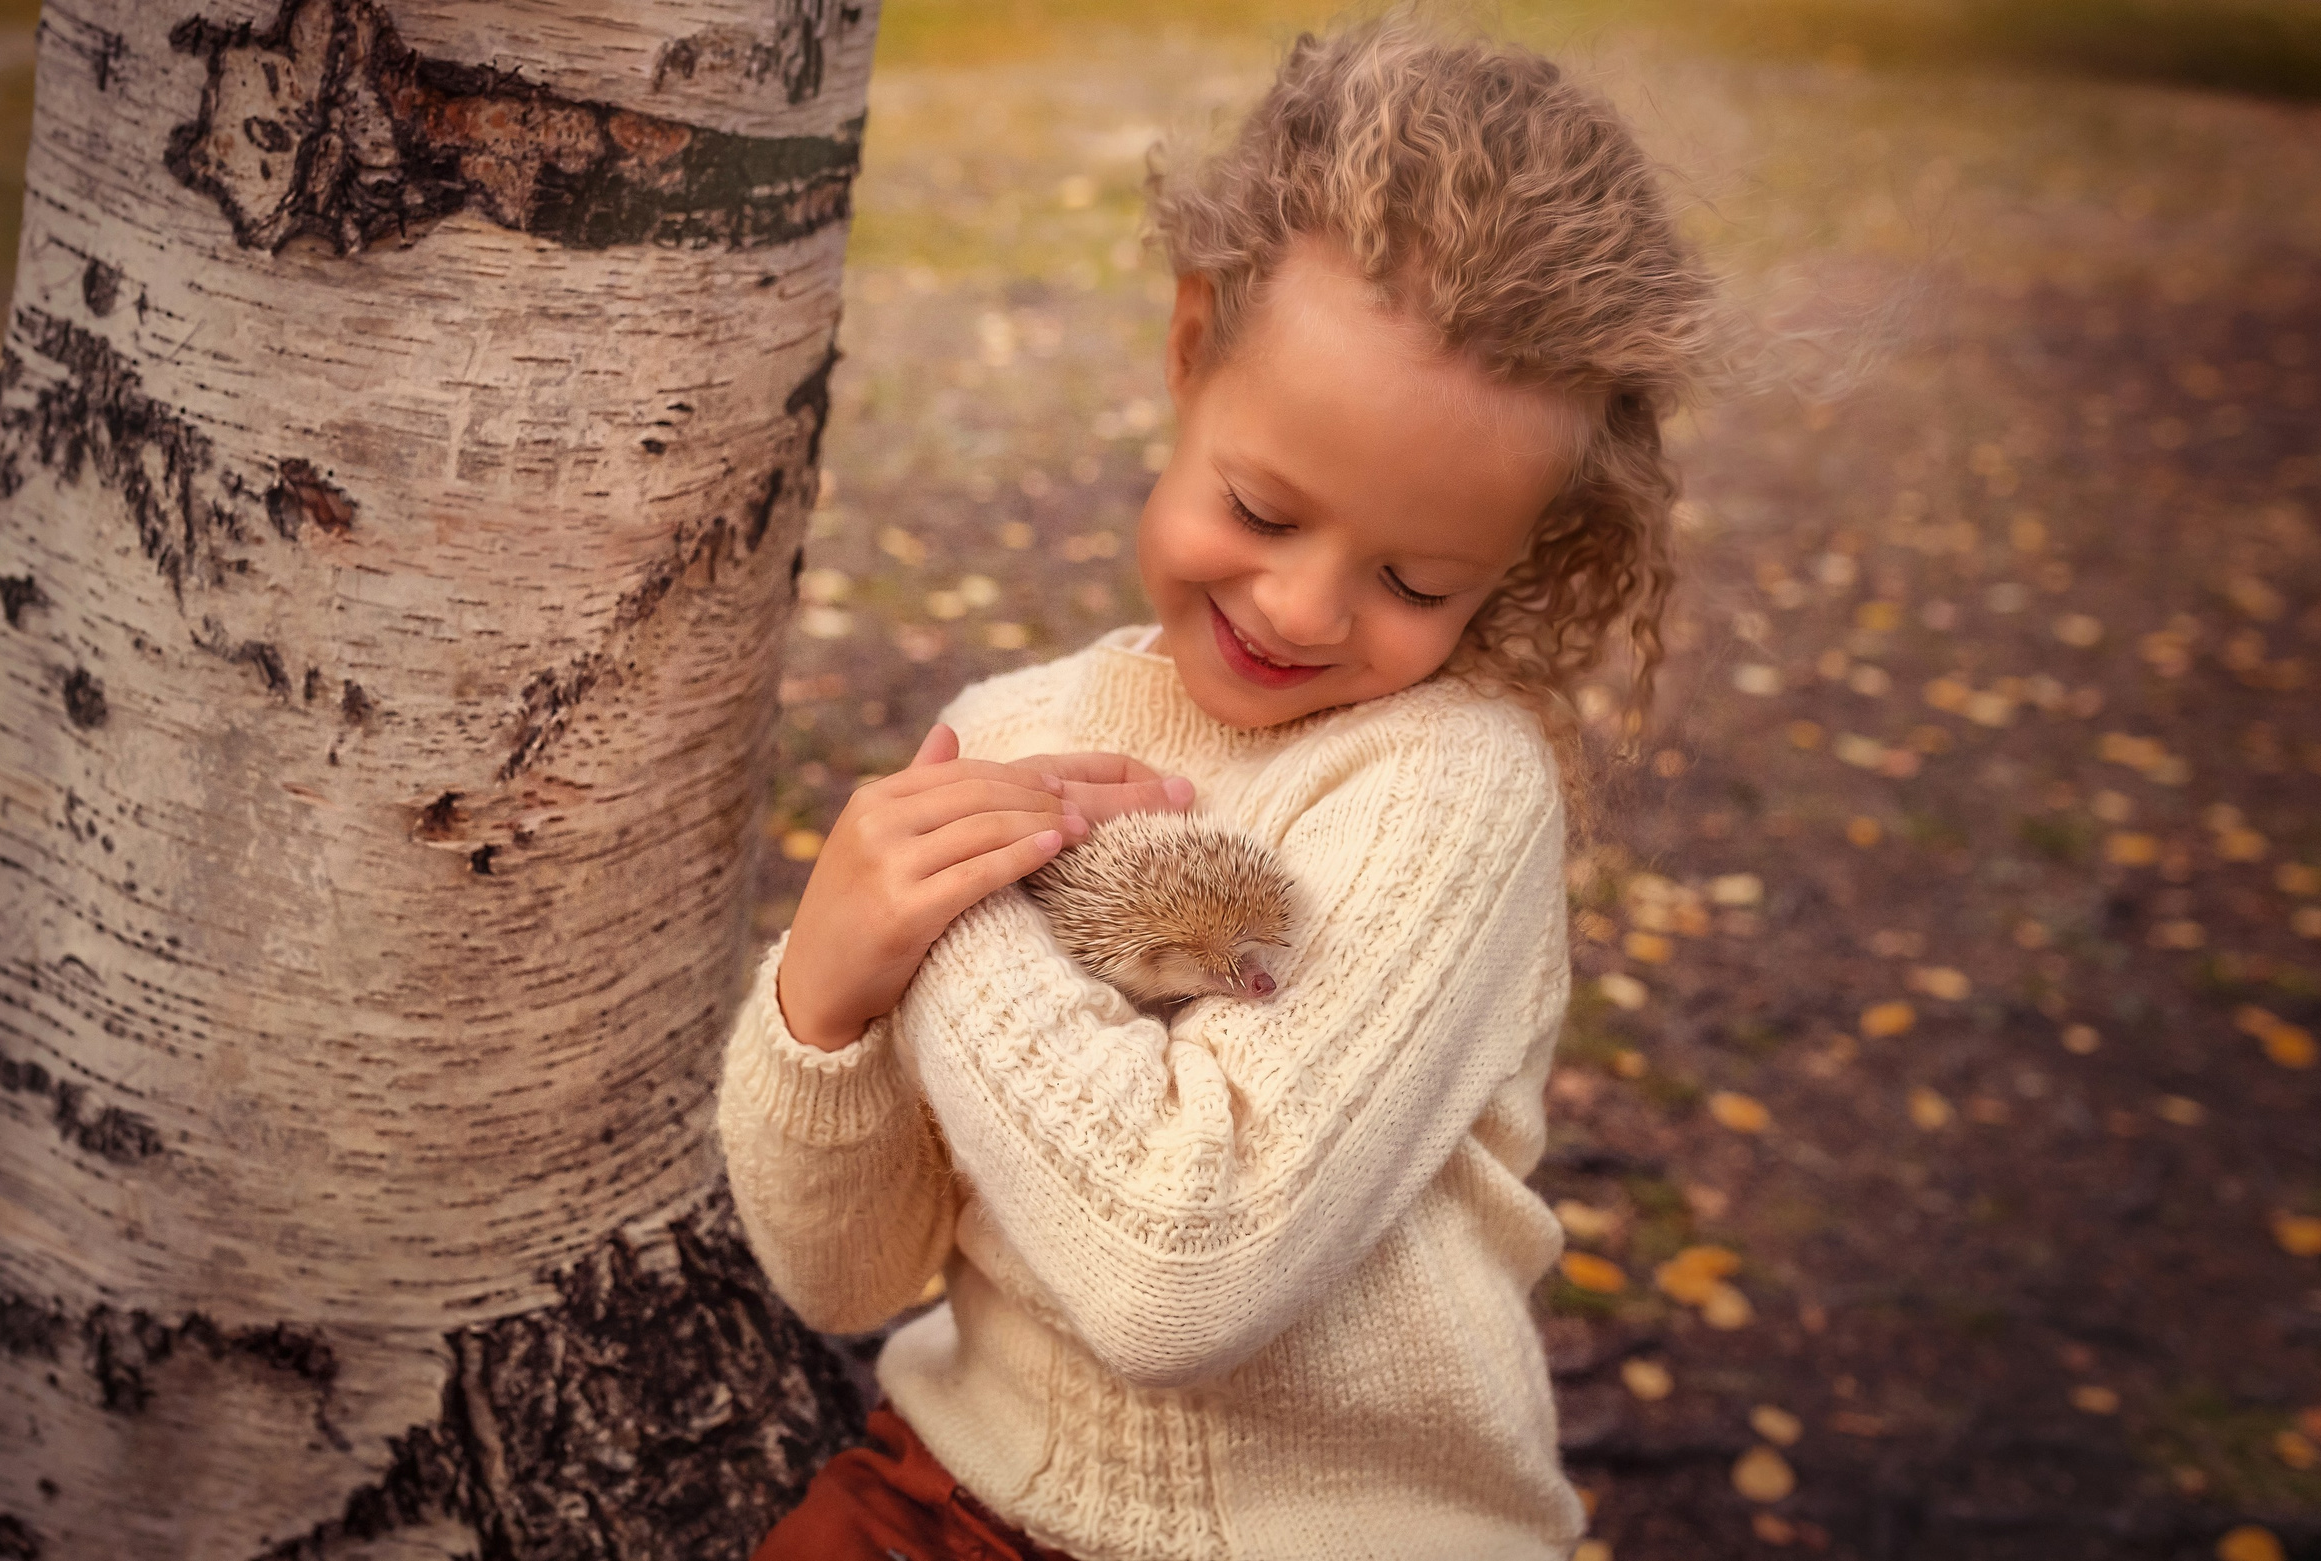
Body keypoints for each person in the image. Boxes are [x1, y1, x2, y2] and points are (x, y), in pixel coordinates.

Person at [720, 14, 1715, 1558]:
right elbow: (847, 1278)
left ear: (1518, 560)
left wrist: (968, 926)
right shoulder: (1012, 724)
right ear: (1191, 348)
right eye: (1261, 506)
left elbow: (1178, 1270)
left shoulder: (1451, 780)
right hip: (951, 1496)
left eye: (1413, 575)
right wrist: (826, 999)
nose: (1308, 611)